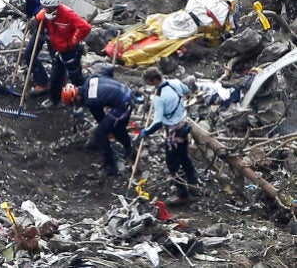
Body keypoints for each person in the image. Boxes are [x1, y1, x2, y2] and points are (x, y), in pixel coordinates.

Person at [140, 67, 201, 206]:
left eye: (149, 82)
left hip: (173, 133)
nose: (148, 84)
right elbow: (186, 90)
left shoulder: (159, 97)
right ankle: (193, 184)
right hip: (184, 127)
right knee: (184, 157)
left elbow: (158, 122)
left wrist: (147, 132)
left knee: (172, 164)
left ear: (154, 80)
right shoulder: (175, 82)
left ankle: (182, 194)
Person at [61, 76, 134, 176]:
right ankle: (130, 150)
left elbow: (100, 118)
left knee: (100, 133)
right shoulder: (89, 79)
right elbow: (107, 72)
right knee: (116, 128)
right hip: (127, 93)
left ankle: (109, 166)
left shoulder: (91, 101)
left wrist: (103, 135)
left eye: (74, 103)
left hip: (123, 104)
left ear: (76, 98)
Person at [16, 0, 67, 96]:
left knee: (30, 54)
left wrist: (29, 17)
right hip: (57, 20)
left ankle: (44, 83)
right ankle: (62, 82)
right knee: (55, 55)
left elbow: (28, 10)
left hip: (43, 25)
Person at [34, 0, 91, 108]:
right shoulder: (45, 14)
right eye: (44, 7)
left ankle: (82, 100)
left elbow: (85, 27)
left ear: (55, 6)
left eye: (48, 7)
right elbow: (40, 23)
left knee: (76, 77)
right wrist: (39, 22)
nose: (45, 9)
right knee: (55, 76)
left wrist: (73, 40)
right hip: (58, 49)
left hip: (70, 50)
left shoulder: (68, 14)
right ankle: (54, 100)